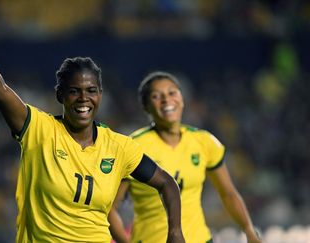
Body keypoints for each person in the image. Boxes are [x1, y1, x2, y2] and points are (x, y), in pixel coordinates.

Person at [0, 8, 185, 243]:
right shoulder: (39, 130)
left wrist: (175, 232)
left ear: (100, 95)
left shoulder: (119, 147)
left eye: (91, 91)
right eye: (74, 91)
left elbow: (167, 184)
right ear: (60, 95)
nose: (83, 98)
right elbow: (1, 91)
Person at [108, 72, 262, 243]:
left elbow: (228, 193)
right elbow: (109, 208)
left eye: (172, 93)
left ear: (182, 99)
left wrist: (249, 230)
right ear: (146, 106)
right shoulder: (133, 147)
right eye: (156, 96)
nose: (166, 100)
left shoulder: (204, 142)